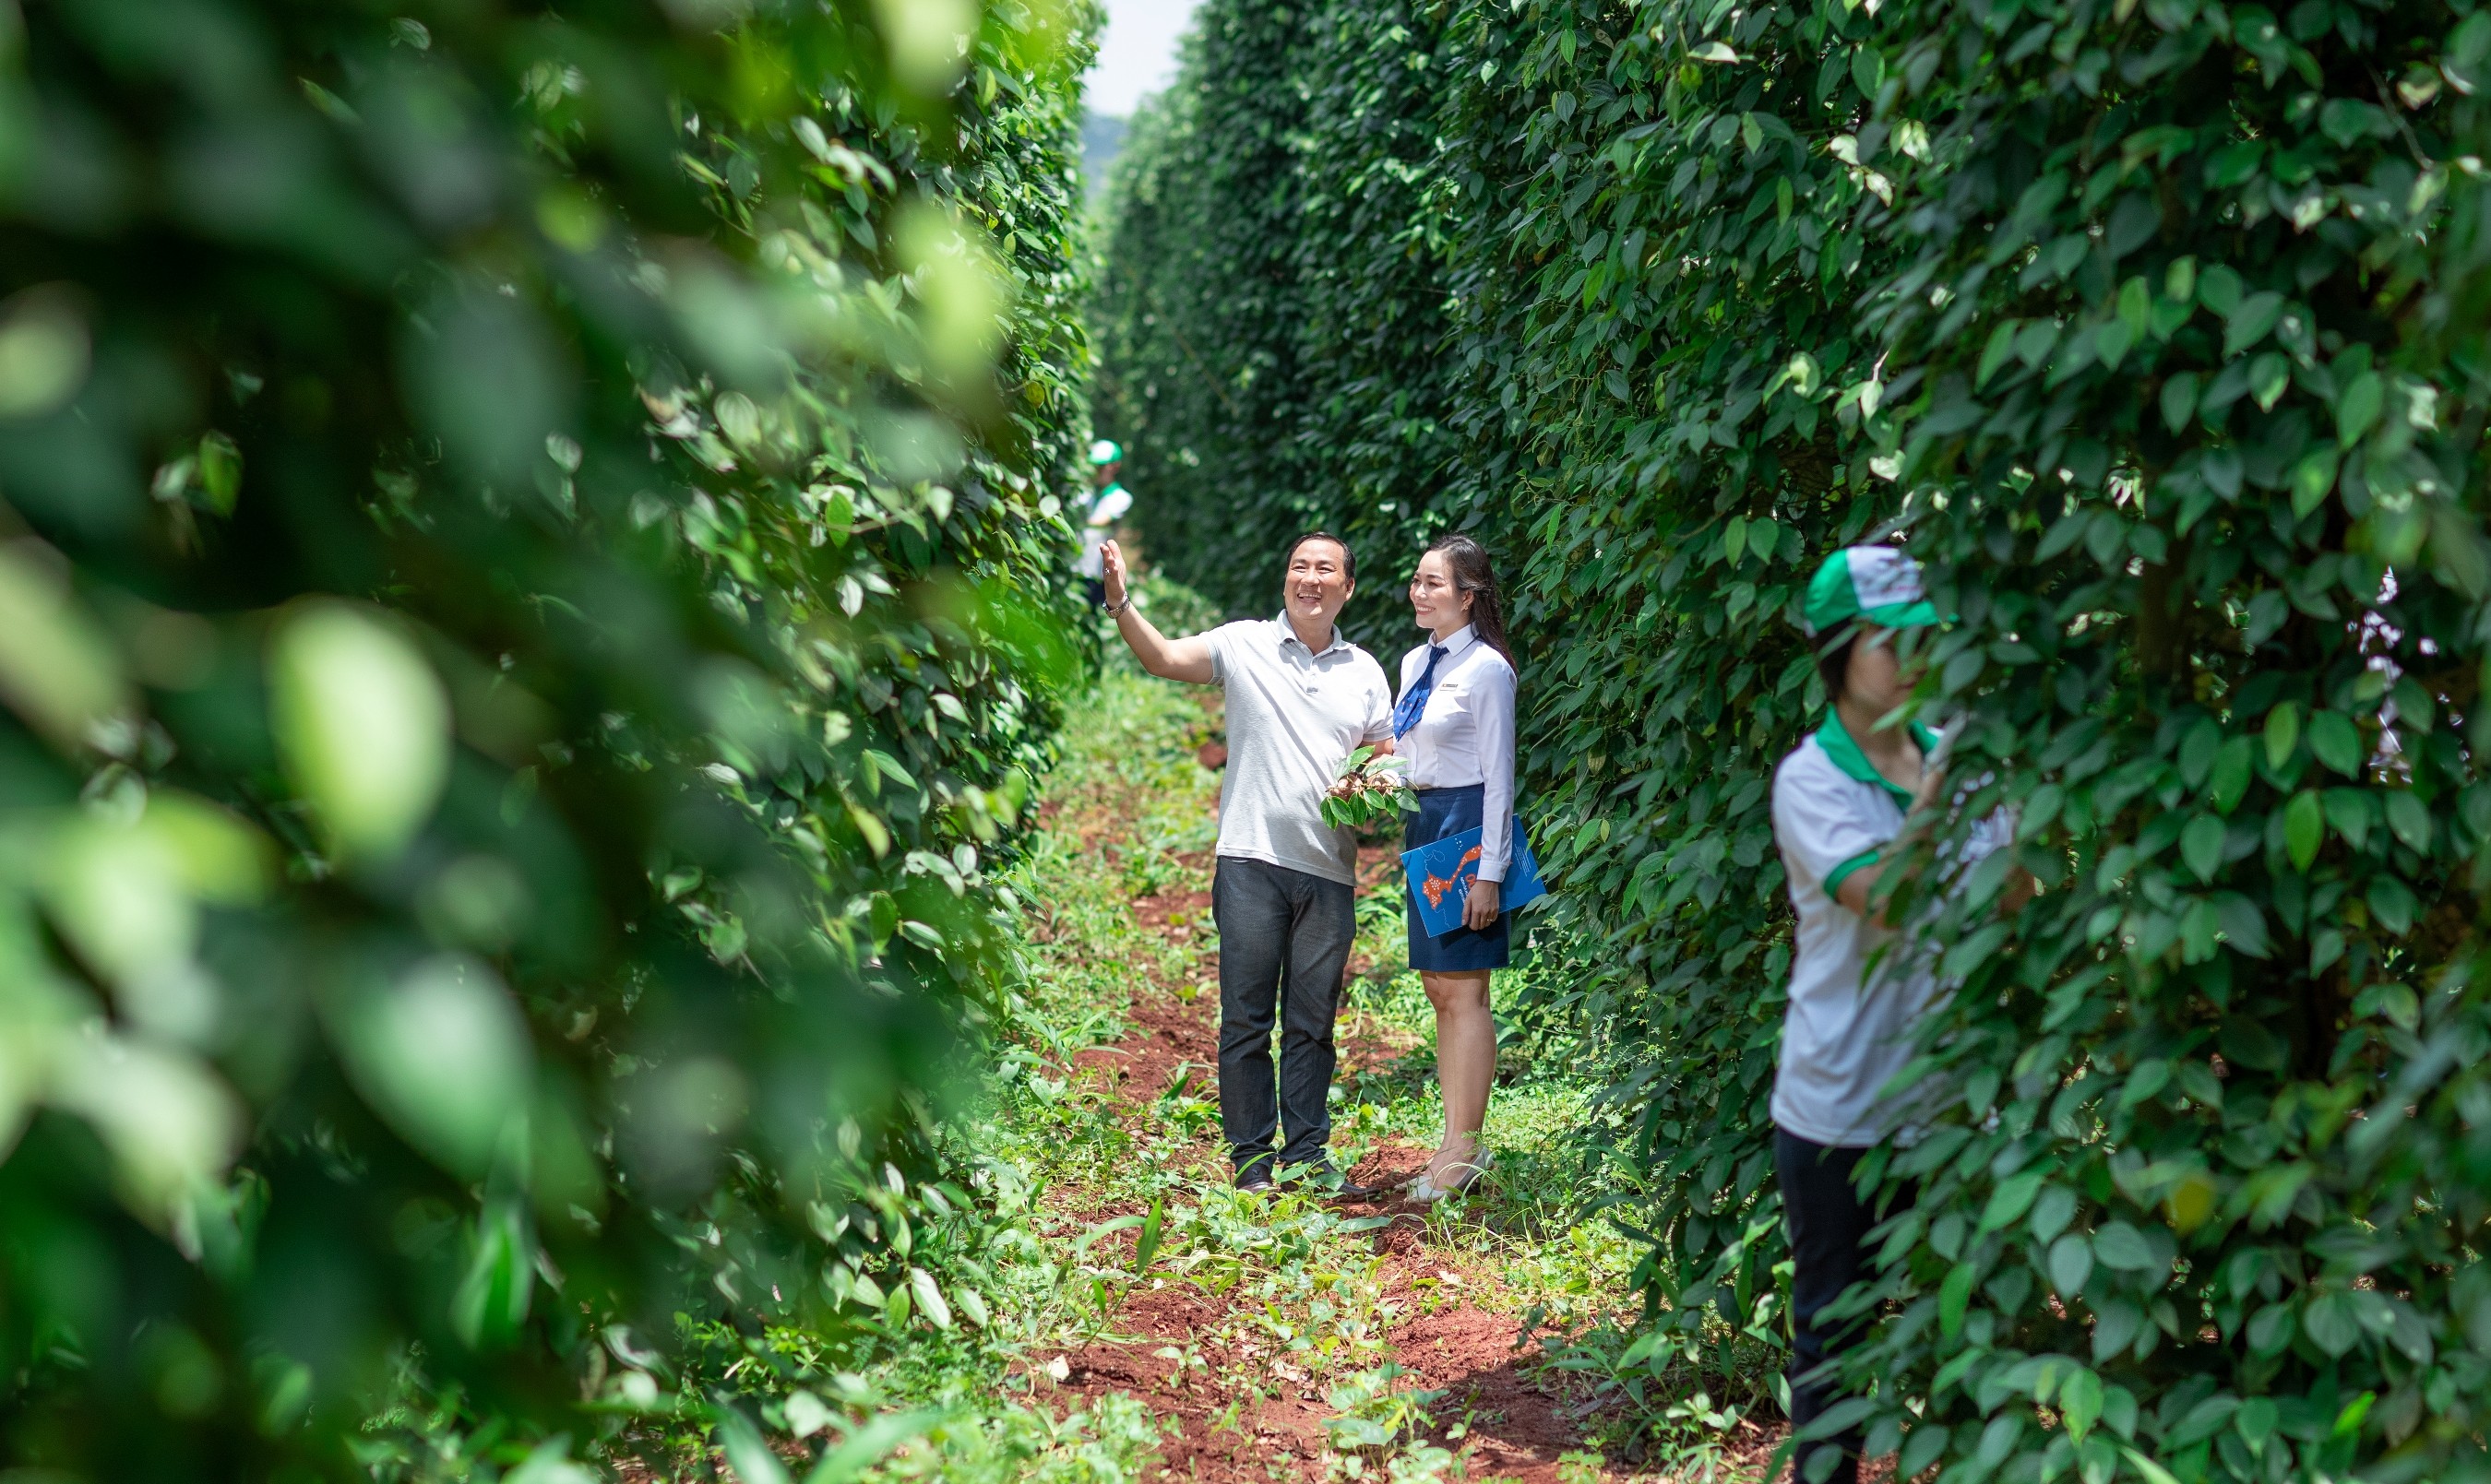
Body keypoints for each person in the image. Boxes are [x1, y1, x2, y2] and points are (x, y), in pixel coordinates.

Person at [1769, 545, 2011, 1484]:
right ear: (1837, 653)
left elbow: (2014, 899)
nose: (1911, 661)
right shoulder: (1811, 781)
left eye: (1924, 640)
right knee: (1833, 1337)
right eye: (1889, 641)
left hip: (1957, 1105)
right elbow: (1891, 898)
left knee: (1971, 1333)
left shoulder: (1956, 762)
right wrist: (1948, 797)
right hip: (1840, 1109)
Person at [1097, 530, 1393, 1194]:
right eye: (1298, 566)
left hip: (1330, 872)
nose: (1309, 578)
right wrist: (1119, 601)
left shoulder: (1366, 672)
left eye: (1325, 569)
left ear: (1347, 587)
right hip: (1251, 861)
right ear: (1285, 579)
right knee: (1247, 1017)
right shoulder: (1244, 642)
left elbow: (1383, 757)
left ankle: (1309, 1154)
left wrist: (1371, 787)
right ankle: (1252, 1161)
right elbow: (1165, 657)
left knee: (1313, 1023)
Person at [1392, 536, 1518, 1203]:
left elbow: (1501, 777)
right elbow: (1410, 746)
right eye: (1416, 581)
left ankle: (1464, 1151)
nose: (1420, 592)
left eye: (1434, 583)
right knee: (1440, 989)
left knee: (1465, 991)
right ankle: (1453, 1142)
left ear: (1469, 596)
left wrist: (1490, 872)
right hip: (1425, 823)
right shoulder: (1417, 660)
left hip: (1467, 829)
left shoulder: (1488, 671)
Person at [1077, 440, 1135, 607]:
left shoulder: (1121, 498)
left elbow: (1100, 522)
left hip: (1096, 573)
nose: (1098, 471)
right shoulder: (1085, 494)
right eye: (1096, 466)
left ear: (1115, 467)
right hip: (1076, 566)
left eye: (1102, 466)